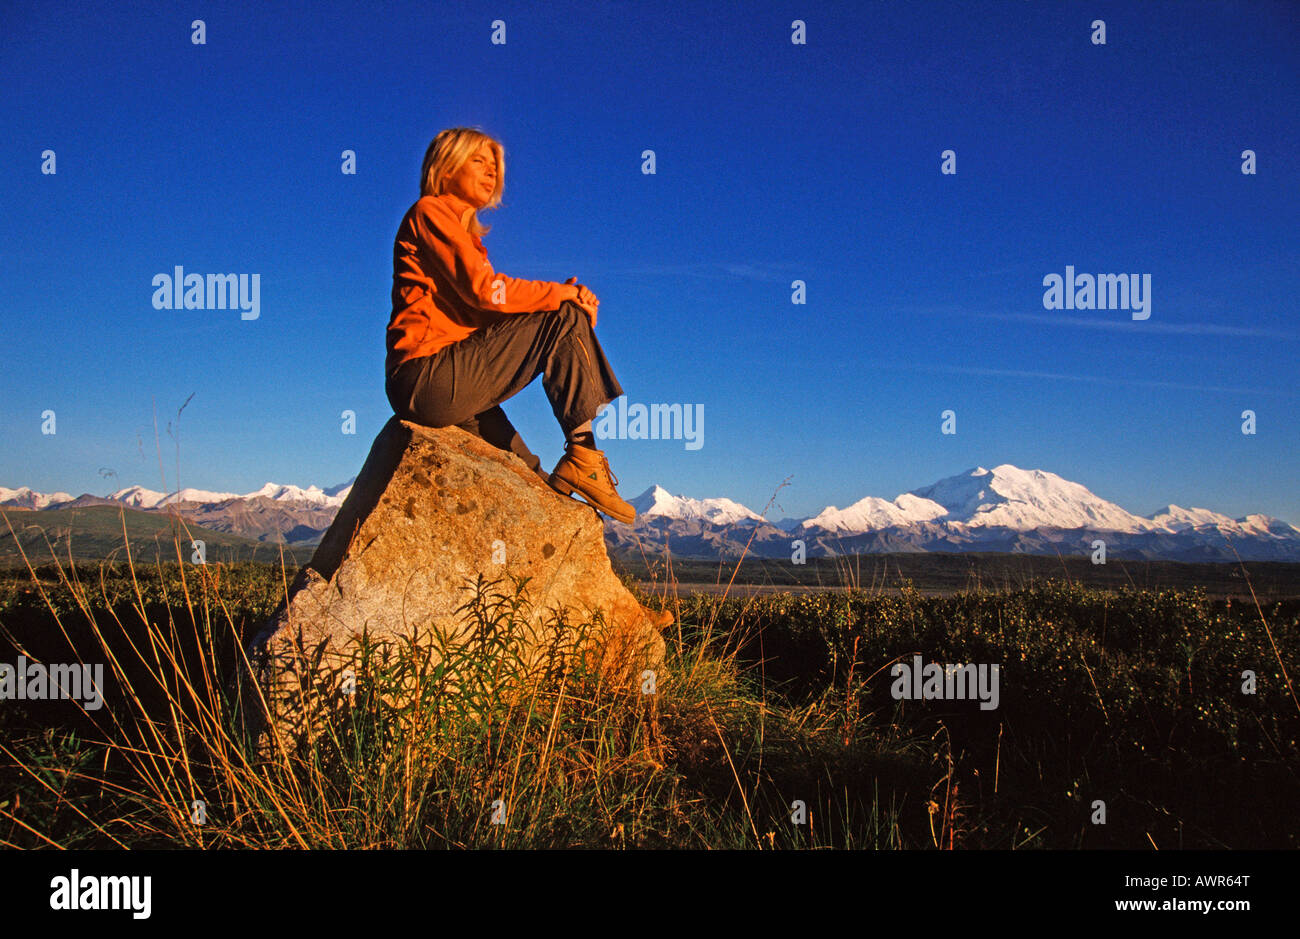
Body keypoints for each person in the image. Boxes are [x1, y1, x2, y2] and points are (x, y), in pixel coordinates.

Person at [384, 127, 636, 524]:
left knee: (531, 478)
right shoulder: (430, 212)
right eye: (478, 161)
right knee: (563, 317)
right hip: (428, 376)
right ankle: (585, 454)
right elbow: (486, 292)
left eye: (495, 165)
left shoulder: (464, 238)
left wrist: (558, 297)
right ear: (445, 168)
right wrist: (561, 301)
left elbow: (490, 313)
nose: (492, 172)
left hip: (452, 384)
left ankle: (572, 500)